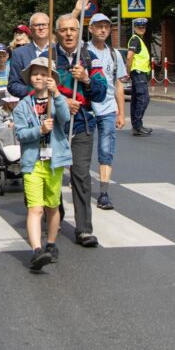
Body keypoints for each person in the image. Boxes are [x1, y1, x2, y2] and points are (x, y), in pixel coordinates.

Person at [52, 14, 106, 247]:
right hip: (53, 127)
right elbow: (37, 89)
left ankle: (84, 229)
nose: (69, 34)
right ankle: (55, 217)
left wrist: (85, 79)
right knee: (53, 176)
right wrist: (62, 100)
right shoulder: (48, 59)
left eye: (73, 29)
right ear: (57, 34)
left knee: (81, 176)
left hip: (82, 124)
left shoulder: (89, 58)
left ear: (79, 32)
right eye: (63, 30)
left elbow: (101, 93)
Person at [13, 57, 70, 271]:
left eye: (44, 74)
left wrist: (56, 94)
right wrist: (39, 130)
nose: (40, 77)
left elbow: (64, 118)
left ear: (52, 78)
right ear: (30, 78)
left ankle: (52, 242)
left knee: (52, 206)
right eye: (36, 73)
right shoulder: (22, 106)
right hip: (32, 162)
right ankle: (37, 249)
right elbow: (20, 134)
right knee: (35, 208)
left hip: (54, 161)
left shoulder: (57, 100)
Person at [86, 13, 126, 210]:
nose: (103, 30)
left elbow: (118, 84)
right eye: (99, 26)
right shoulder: (83, 51)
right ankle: (79, 182)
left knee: (105, 149)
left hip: (108, 108)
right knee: (82, 148)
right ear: (90, 29)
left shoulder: (114, 54)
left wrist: (121, 112)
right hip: (86, 108)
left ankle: (103, 192)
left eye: (106, 27)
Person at [8, 12, 54, 98]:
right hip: (30, 106)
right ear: (30, 29)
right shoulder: (19, 53)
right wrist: (33, 91)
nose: (41, 28)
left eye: (44, 25)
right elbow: (13, 85)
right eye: (37, 25)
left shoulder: (58, 51)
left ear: (49, 27)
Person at [126, 17, 152, 136]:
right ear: (135, 28)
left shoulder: (138, 40)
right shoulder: (135, 40)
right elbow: (129, 57)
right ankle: (137, 125)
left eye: (143, 27)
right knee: (143, 99)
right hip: (138, 73)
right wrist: (127, 72)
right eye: (139, 27)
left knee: (136, 99)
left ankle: (136, 126)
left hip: (139, 73)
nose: (141, 29)